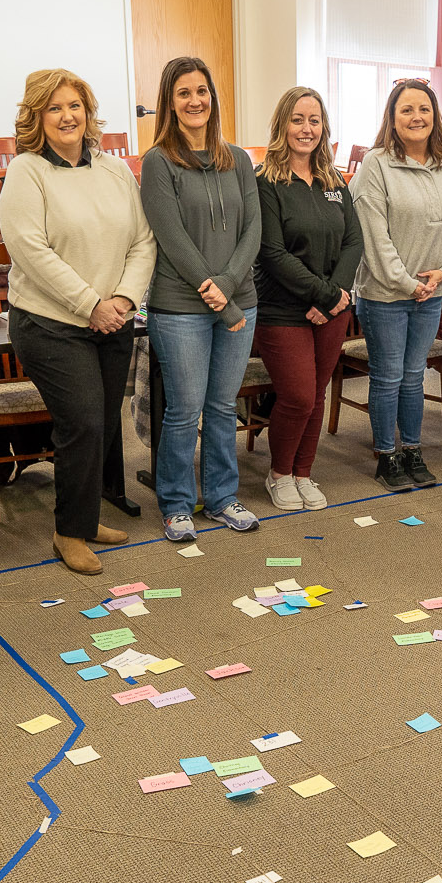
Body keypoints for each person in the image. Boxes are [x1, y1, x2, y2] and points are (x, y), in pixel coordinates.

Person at [0, 68, 156, 574]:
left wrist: (126, 299)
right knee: (83, 421)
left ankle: (85, 520)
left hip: (114, 318)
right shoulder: (27, 171)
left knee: (104, 424)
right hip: (50, 322)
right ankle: (68, 534)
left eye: (75, 106)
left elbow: (143, 240)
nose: (67, 116)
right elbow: (30, 250)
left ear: (88, 113)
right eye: (54, 108)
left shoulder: (113, 170)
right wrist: (92, 303)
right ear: (36, 117)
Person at [138, 57, 263, 544]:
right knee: (184, 409)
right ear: (170, 103)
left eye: (202, 91)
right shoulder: (159, 162)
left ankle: (221, 496)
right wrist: (217, 295)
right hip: (179, 306)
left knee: (221, 405)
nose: (196, 101)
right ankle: (174, 504)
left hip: (238, 300)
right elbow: (171, 239)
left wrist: (229, 287)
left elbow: (253, 228)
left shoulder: (238, 157)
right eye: (184, 93)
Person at [350, 79, 442, 492]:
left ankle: (413, 451)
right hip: (385, 294)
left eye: (424, 109)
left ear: (436, 115)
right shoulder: (376, 164)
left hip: (433, 290)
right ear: (392, 117)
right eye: (407, 110)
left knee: (414, 375)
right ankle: (387, 455)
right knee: (388, 376)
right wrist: (405, 282)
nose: (417, 117)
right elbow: (374, 235)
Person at [254, 85, 362, 511]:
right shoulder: (266, 182)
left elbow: (353, 241)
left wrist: (335, 295)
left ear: (324, 127)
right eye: (298, 120)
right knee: (298, 396)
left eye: (314, 120)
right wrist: (326, 293)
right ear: (283, 124)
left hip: (331, 309)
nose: (306, 128)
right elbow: (272, 252)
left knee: (316, 394)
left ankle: (303, 472)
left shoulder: (335, 180)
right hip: (283, 308)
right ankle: (279, 473)